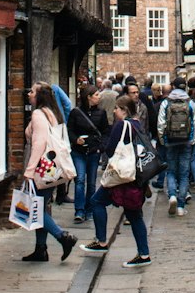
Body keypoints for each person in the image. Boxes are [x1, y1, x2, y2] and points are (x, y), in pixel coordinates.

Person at [81, 94, 153, 266]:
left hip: (121, 177)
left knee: (97, 201)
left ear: (124, 110)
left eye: (116, 108)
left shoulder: (122, 125)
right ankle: (144, 255)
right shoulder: (137, 125)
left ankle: (101, 241)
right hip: (135, 176)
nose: (114, 111)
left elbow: (111, 149)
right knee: (134, 214)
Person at [22, 86, 78, 264]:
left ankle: (63, 237)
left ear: (40, 95)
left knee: (33, 209)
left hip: (41, 169)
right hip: (52, 169)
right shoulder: (51, 112)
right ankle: (41, 249)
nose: (29, 93)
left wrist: (29, 170)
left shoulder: (38, 114)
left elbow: (39, 143)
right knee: (42, 207)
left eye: (32, 91)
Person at [157, 75, 195, 215]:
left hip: (170, 141)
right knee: (184, 174)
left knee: (171, 171)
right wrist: (193, 140)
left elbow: (161, 124)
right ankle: (181, 206)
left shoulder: (166, 102)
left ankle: (172, 196)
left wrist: (163, 140)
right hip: (186, 141)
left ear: (173, 87)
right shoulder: (190, 102)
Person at [68, 86, 104, 223]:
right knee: (80, 180)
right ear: (88, 97)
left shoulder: (101, 113)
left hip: (94, 151)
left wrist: (101, 147)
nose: (99, 97)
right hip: (79, 151)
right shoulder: (76, 112)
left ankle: (89, 209)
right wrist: (75, 139)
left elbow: (105, 131)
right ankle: (79, 210)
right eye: (96, 94)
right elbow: (69, 130)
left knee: (92, 183)